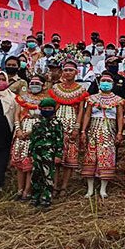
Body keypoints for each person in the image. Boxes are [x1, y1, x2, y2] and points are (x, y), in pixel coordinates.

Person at [80, 74, 125, 199]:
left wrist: (120, 132)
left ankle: (103, 189)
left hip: (109, 130)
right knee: (91, 156)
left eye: (108, 81)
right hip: (94, 130)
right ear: (99, 83)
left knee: (107, 157)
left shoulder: (118, 100)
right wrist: (83, 131)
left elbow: (120, 117)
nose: (105, 83)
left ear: (112, 84)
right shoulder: (91, 99)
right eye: (103, 81)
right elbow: (87, 115)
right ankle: (90, 189)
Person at [49, 60, 88, 197]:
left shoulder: (81, 90)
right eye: (65, 70)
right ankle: (54, 185)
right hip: (57, 124)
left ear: (76, 72)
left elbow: (82, 111)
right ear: (62, 72)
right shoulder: (55, 88)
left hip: (72, 124)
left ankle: (64, 186)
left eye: (71, 70)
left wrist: (77, 127)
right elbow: (51, 108)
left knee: (69, 159)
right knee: (55, 157)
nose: (68, 73)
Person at [10, 74, 46, 200]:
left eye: (38, 84)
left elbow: (45, 119)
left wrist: (31, 132)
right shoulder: (22, 98)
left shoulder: (45, 100)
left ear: (43, 85)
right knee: (20, 163)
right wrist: (18, 129)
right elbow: (17, 114)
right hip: (21, 130)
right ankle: (19, 190)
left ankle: (27, 190)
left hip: (36, 132)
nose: (34, 86)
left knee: (31, 164)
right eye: (32, 83)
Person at [28, 98, 63, 209]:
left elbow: (60, 140)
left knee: (48, 175)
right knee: (36, 175)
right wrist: (30, 153)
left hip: (49, 152)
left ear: (54, 109)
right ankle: (35, 197)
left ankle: (46, 198)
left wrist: (58, 155)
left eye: (49, 108)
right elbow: (33, 139)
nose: (47, 110)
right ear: (41, 109)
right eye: (45, 108)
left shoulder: (57, 123)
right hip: (37, 152)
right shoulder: (37, 123)